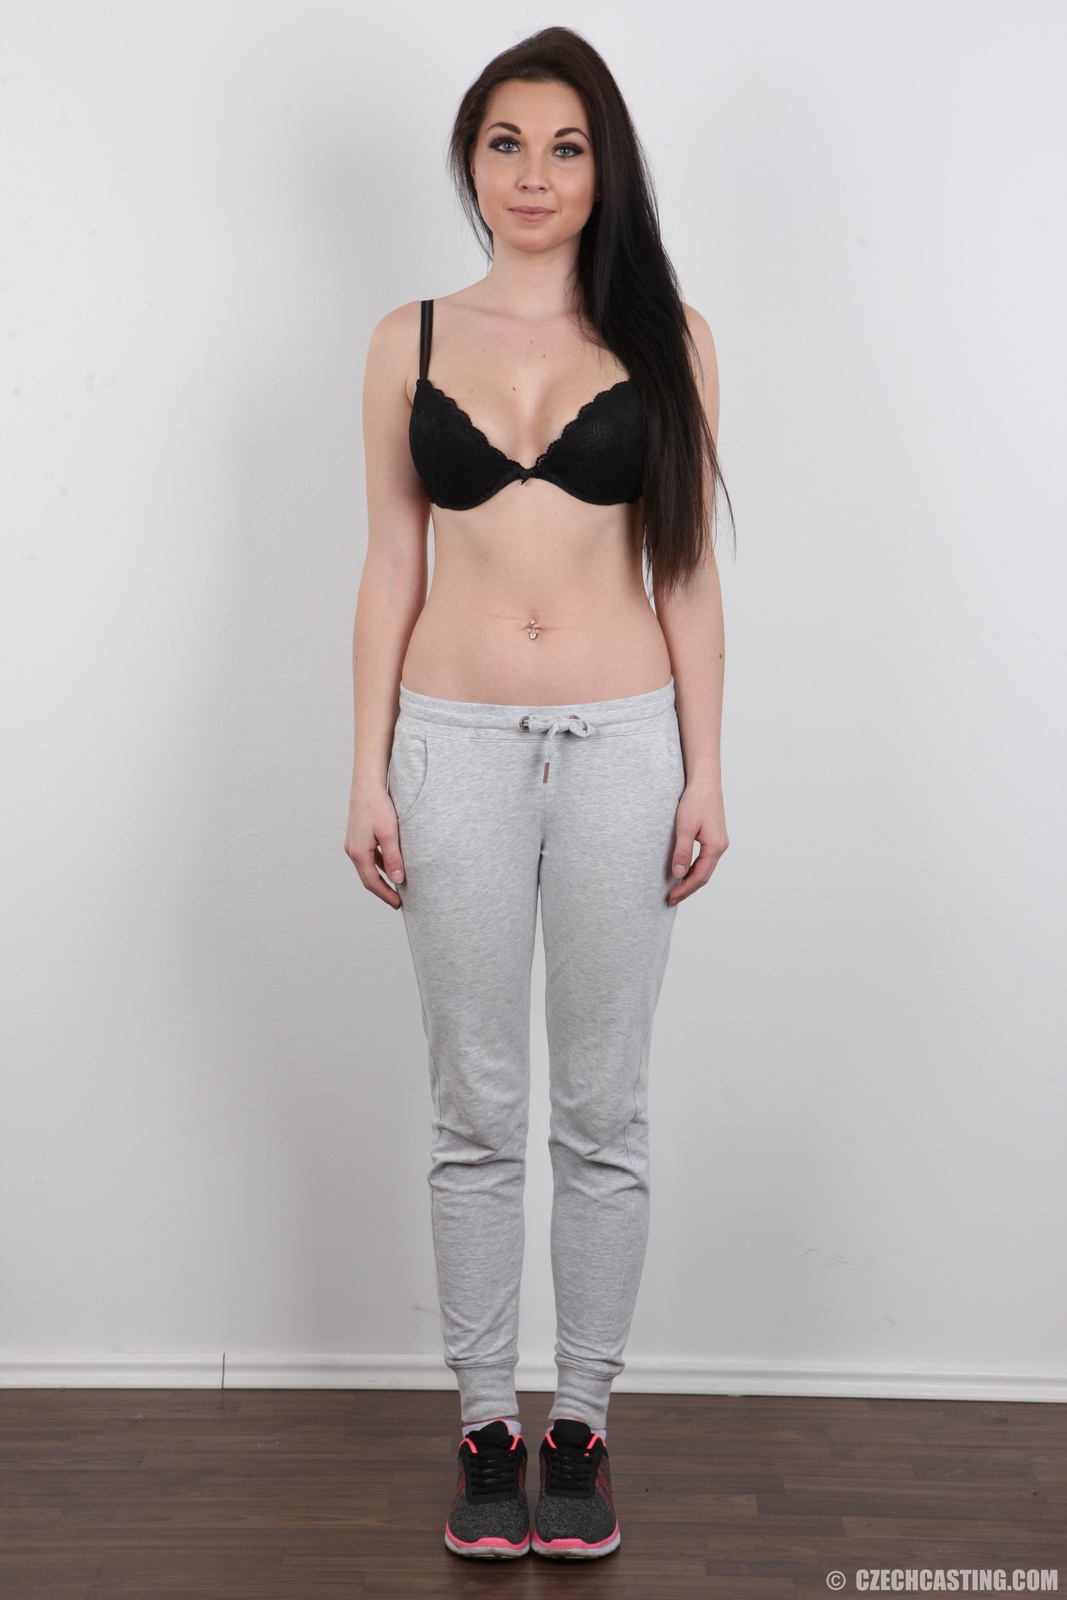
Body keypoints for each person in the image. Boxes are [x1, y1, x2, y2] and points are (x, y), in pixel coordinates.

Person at [344, 24, 734, 1562]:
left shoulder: (670, 338)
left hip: (625, 747)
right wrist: (366, 767)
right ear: (471, 157)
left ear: (603, 167)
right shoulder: (408, 340)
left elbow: (686, 573)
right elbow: (390, 567)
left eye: (566, 146)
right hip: (451, 749)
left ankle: (580, 1428)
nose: (534, 173)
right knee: (476, 1109)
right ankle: (482, 1430)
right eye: (507, 142)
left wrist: (707, 767)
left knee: (603, 1109)